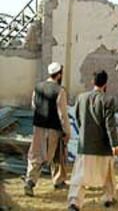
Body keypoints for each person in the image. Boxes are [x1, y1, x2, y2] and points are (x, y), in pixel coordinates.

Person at [68, 70, 118, 211]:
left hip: (85, 144)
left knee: (80, 175)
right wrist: (115, 144)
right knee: (108, 173)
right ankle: (109, 198)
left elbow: (78, 119)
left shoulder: (81, 97)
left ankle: (75, 202)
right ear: (106, 83)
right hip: (103, 145)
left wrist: (84, 133)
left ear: (93, 82)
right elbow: (111, 125)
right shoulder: (108, 100)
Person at [24, 62, 71, 197]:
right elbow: (62, 113)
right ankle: (30, 182)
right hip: (53, 129)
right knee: (42, 156)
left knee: (57, 154)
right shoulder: (59, 90)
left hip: (38, 126)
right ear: (59, 74)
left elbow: (34, 105)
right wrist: (67, 131)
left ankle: (59, 180)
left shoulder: (38, 87)